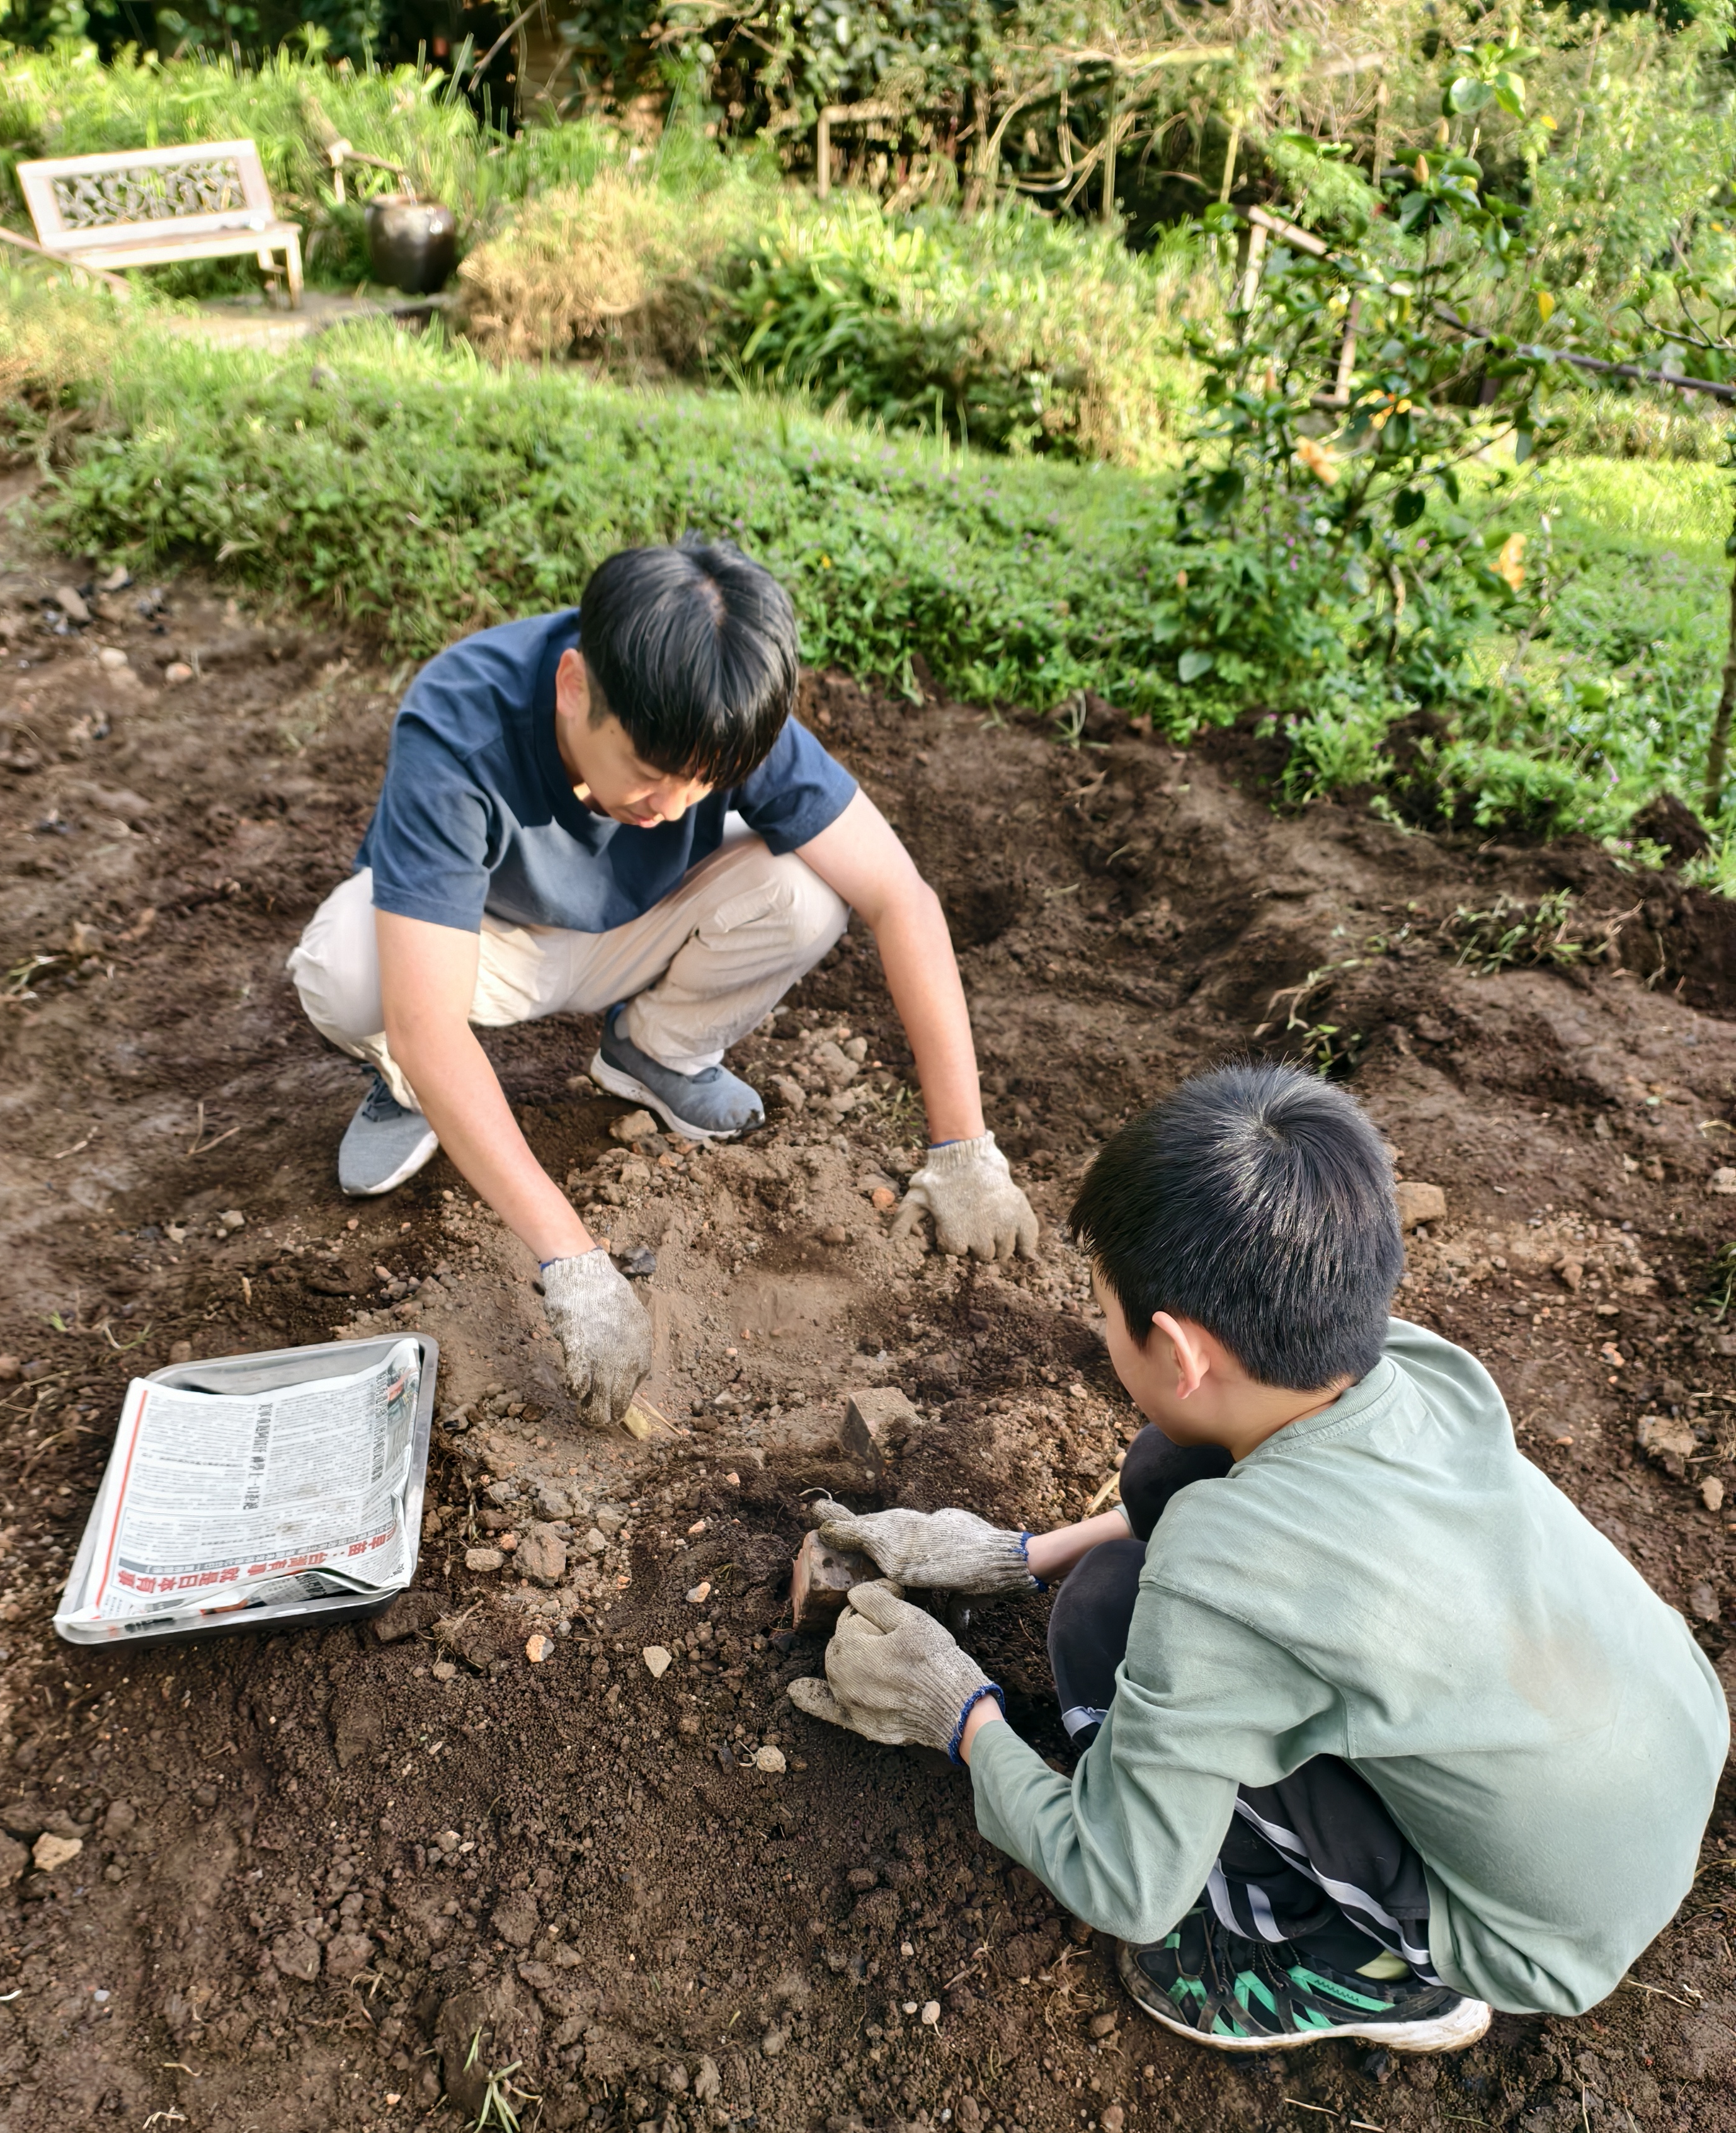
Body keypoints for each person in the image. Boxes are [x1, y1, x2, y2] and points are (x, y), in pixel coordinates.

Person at [793, 1062, 1727, 2054]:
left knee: (1117, 1643)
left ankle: (1373, 1976)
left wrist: (955, 1710)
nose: (1098, 1329)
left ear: (1179, 1353)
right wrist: (1011, 1558)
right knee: (1162, 1486)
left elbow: (1124, 1883)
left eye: (1104, 1312)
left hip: (1544, 1926)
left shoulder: (1221, 1586)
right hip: (1653, 1738)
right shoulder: (1417, 1367)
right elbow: (1206, 1503)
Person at [287, 539, 1036, 1426]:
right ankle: (411, 1094)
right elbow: (430, 1020)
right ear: (575, 688)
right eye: (648, 777)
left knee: (806, 893)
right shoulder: (461, 722)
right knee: (348, 971)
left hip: (639, 923)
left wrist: (962, 1150)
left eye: (702, 784)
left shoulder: (718, 712)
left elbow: (899, 896)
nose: (672, 808)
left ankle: (658, 1051)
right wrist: (572, 1260)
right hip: (475, 943)